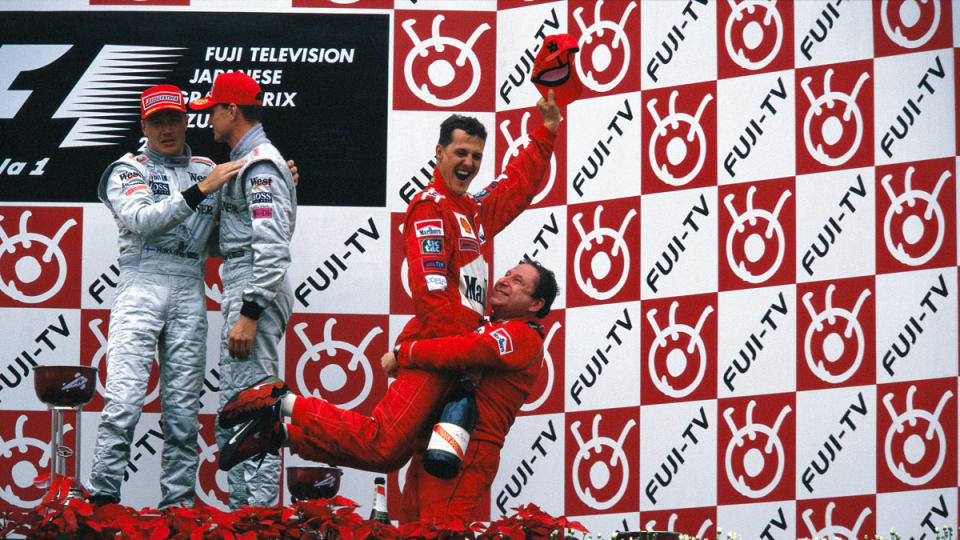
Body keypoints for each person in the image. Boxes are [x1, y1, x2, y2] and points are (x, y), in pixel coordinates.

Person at [216, 262, 558, 523]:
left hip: (469, 449)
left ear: (536, 303)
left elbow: (470, 351)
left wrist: (407, 354)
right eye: (508, 273)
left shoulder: (523, 335)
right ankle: (283, 418)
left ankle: (282, 418)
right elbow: (455, 344)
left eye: (517, 282)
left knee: (433, 525)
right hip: (437, 441)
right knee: (392, 468)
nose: (503, 280)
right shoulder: (486, 325)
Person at [88, 84, 244, 508]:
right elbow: (143, 221)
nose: (167, 128)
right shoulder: (127, 168)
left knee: (181, 416)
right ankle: (102, 503)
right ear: (144, 125)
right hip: (142, 283)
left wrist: (280, 181)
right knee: (123, 403)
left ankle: (178, 511)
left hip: (190, 287)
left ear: (186, 119)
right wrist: (202, 190)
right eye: (157, 121)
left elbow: (225, 237)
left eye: (174, 118)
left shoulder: (206, 167)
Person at [189, 71, 297, 509]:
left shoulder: (260, 164)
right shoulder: (251, 161)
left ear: (232, 110)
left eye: (213, 110)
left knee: (253, 413)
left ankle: (257, 522)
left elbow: (272, 248)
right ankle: (247, 517)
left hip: (255, 286)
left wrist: (250, 312)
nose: (208, 120)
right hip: (246, 280)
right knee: (242, 410)